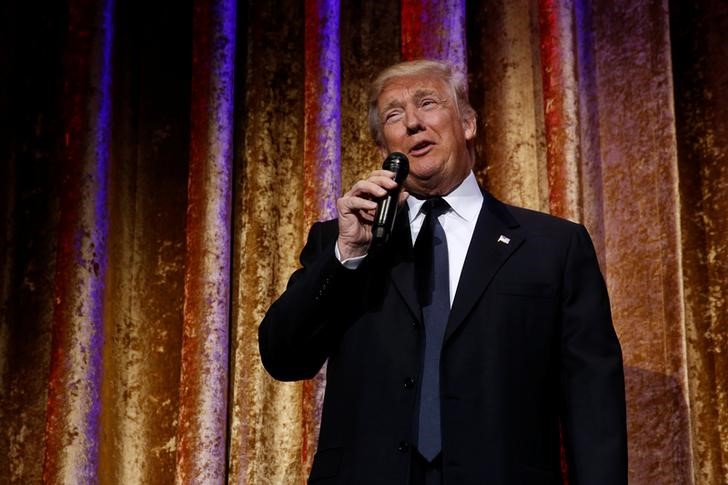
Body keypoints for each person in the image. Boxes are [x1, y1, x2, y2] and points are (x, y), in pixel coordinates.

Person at [258, 59, 627, 484]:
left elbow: (592, 404)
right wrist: (347, 254)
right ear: (385, 149)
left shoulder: (553, 247)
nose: (412, 122)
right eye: (394, 115)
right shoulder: (341, 242)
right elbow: (282, 357)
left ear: (468, 123)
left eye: (427, 103)